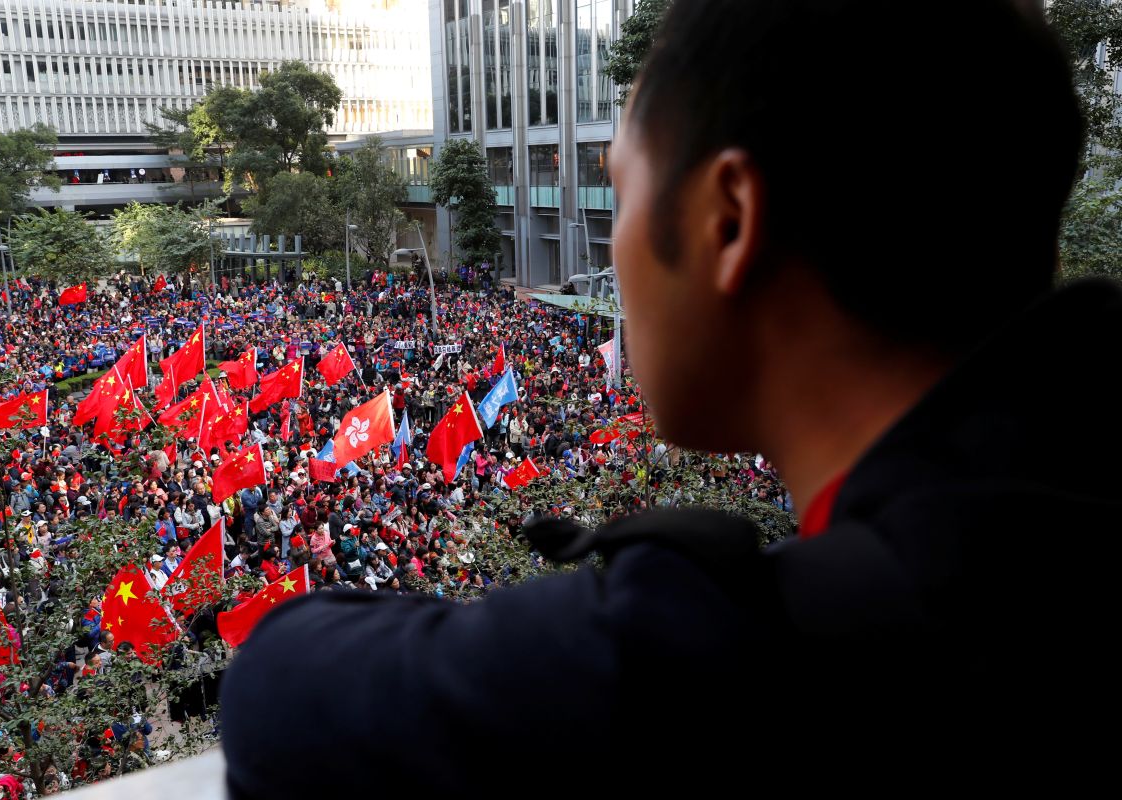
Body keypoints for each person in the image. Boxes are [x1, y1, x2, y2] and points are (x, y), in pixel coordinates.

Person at [221, 0, 1115, 793]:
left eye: (619, 189)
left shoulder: (743, 661)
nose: (616, 255)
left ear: (729, 221)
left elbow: (279, 686)